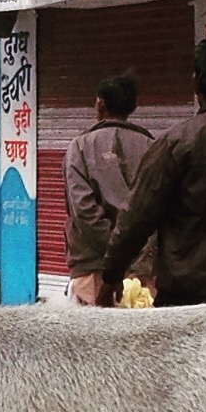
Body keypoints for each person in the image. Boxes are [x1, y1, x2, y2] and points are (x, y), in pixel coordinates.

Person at [97, 38, 206, 306]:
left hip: (185, 301)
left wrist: (111, 275)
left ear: (196, 83)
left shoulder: (176, 142)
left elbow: (136, 217)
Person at [64, 70, 156, 305]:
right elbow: (158, 210)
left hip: (93, 268)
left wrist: (115, 255)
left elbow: (84, 211)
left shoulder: (80, 147)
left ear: (100, 103)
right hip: (141, 273)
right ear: (133, 106)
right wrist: (134, 256)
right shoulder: (153, 147)